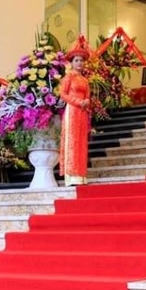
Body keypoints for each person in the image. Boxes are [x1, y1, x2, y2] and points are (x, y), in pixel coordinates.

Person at [59, 36, 92, 186]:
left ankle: (81, 175)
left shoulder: (85, 80)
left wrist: (86, 102)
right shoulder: (68, 77)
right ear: (71, 63)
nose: (80, 63)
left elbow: (88, 96)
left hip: (82, 112)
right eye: (77, 60)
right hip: (72, 111)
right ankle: (71, 176)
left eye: (82, 61)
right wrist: (78, 102)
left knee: (81, 142)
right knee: (72, 141)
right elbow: (63, 94)